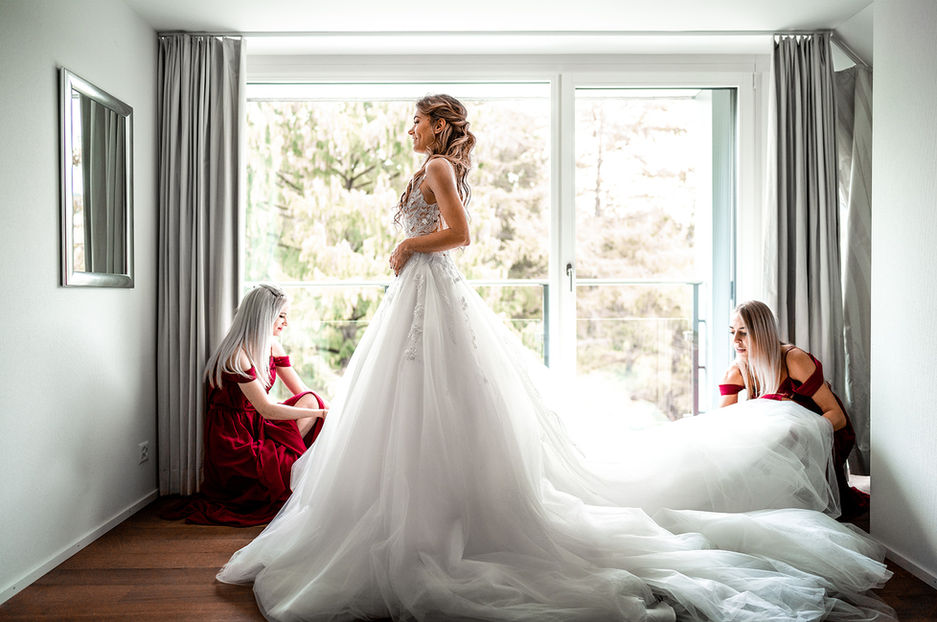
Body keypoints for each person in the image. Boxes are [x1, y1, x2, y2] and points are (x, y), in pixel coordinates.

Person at [217, 96, 893, 621]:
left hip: (429, 293)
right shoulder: (431, 167)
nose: (409, 129)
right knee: (412, 407)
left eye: (416, 120)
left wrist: (408, 249)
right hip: (418, 302)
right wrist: (409, 253)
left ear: (439, 124)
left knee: (434, 402)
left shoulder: (438, 166)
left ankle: (440, 518)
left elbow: (460, 234)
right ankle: (423, 510)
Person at [163, 283, 328, 526]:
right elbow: (267, 409)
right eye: (281, 316)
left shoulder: (272, 346)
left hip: (258, 424)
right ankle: (291, 466)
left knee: (313, 398)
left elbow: (302, 392)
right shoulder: (236, 355)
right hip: (234, 436)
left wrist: (321, 409)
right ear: (264, 316)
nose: (286, 322)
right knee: (315, 411)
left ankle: (290, 462)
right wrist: (321, 413)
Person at [719, 300, 869, 519]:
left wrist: (801, 432)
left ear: (762, 332)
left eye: (744, 333)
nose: (735, 341)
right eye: (732, 332)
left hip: (817, 437)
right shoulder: (737, 370)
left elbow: (837, 416)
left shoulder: (793, 359)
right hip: (774, 439)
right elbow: (721, 422)